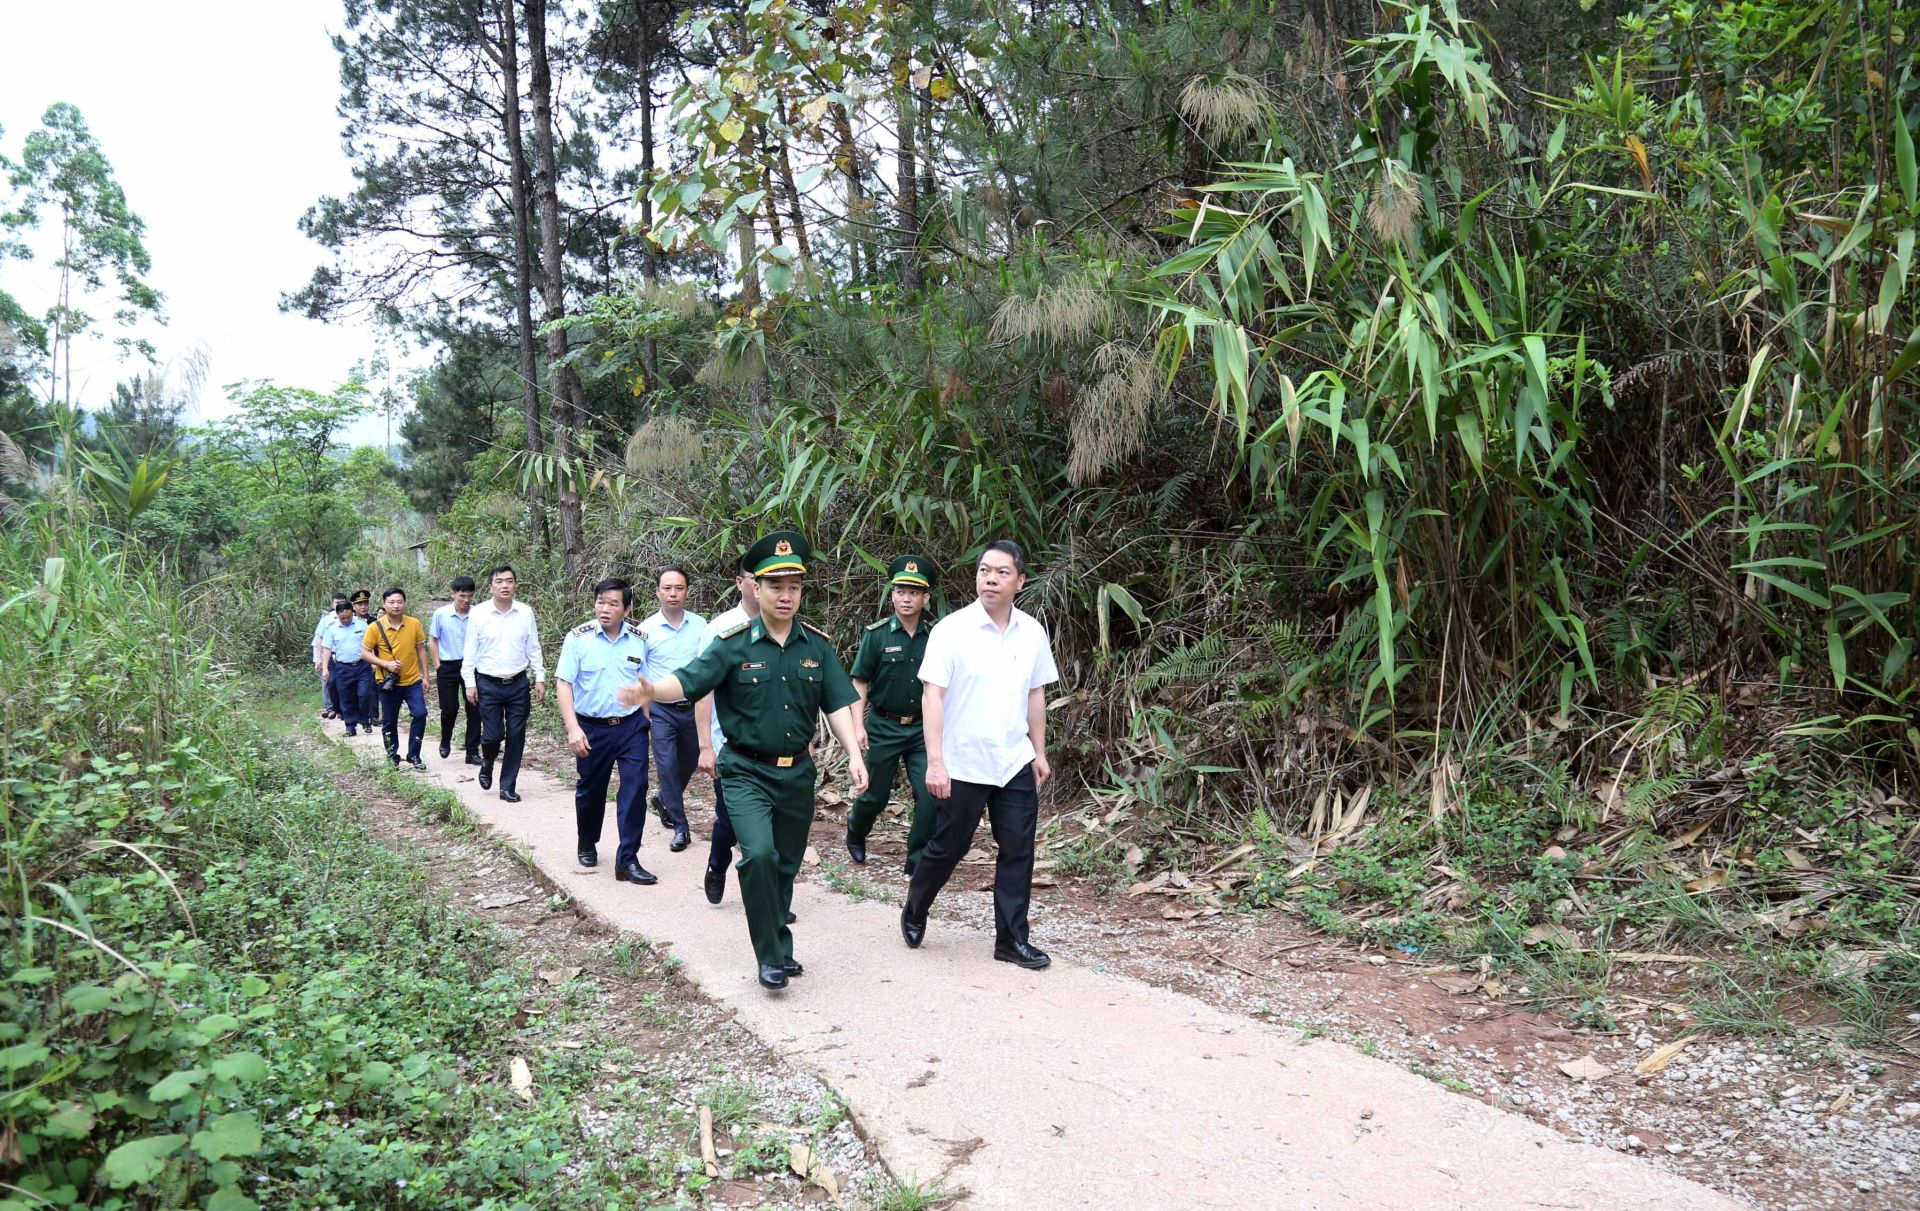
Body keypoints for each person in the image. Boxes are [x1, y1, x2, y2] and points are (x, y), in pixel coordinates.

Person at [620, 531, 868, 991]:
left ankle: (780, 944)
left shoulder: (815, 646)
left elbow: (837, 703)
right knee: (759, 855)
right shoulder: (732, 643)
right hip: (745, 771)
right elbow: (690, 681)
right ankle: (769, 957)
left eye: (794, 587)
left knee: (786, 862)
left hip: (798, 772)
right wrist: (652, 690)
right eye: (776, 586)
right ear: (757, 588)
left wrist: (854, 753)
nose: (785, 595)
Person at [900, 539, 1059, 971]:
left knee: (1018, 850)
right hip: (963, 763)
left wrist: (1039, 751)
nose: (990, 579)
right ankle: (916, 906)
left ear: (1020, 581)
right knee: (949, 847)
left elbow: (1036, 694)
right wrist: (936, 762)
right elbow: (932, 697)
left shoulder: (1032, 632)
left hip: (1013, 761)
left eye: (1002, 572)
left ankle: (1011, 940)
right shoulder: (951, 630)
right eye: (984, 570)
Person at [555, 578, 655, 884]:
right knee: (591, 790)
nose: (605, 609)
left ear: (627, 608)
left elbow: (644, 686)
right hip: (592, 728)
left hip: (631, 727)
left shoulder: (639, 640)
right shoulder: (578, 638)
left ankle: (627, 859)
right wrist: (573, 729)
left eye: (613, 604)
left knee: (636, 789)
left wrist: (647, 724)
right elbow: (564, 683)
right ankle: (587, 841)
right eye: (601, 602)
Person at [845, 555, 940, 874]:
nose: (906, 598)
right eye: (900, 591)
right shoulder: (877, 634)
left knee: (929, 795)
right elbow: (860, 681)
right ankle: (856, 828)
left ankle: (917, 859)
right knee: (875, 795)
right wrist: (858, 725)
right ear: (893, 595)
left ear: (925, 597)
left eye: (914, 592)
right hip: (883, 726)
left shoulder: (936, 637)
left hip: (922, 730)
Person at [693, 557, 755, 906]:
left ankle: (769, 897)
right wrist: (706, 746)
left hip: (777, 750)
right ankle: (717, 865)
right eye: (754, 578)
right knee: (730, 820)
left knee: (773, 829)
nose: (761, 587)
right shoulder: (721, 629)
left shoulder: (788, 628)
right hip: (729, 746)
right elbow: (703, 690)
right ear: (739, 583)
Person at [636, 565, 706, 853]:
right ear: (657, 592)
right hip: (661, 710)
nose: (673, 593)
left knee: (689, 761)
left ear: (687, 592)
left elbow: (707, 669)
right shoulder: (645, 630)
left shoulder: (701, 626)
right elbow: (639, 675)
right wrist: (645, 717)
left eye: (679, 588)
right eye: (667, 588)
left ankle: (664, 798)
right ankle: (681, 827)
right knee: (666, 766)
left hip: (693, 707)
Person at [463, 564, 545, 802]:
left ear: (515, 585)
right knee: (492, 736)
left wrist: (539, 677)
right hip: (488, 684)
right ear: (491, 586)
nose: (505, 586)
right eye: (499, 582)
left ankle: (507, 786)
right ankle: (487, 761)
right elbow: (470, 649)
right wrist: (469, 682)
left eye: (509, 581)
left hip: (518, 683)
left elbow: (533, 646)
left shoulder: (525, 612)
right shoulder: (479, 613)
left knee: (516, 734)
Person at [364, 587, 432, 771]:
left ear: (404, 603)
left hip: (412, 681)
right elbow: (364, 652)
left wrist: (425, 676)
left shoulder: (414, 623)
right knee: (389, 721)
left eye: (399, 602)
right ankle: (392, 757)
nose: (396, 606)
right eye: (392, 602)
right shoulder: (375, 627)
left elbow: (420, 650)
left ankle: (414, 755)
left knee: (420, 714)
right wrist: (385, 664)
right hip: (387, 683)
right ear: (384, 604)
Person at [429, 576, 480, 763]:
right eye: (462, 596)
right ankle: (445, 739)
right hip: (448, 666)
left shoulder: (478, 614)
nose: (466, 600)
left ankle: (472, 751)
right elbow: (433, 639)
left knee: (474, 708)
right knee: (449, 708)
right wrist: (437, 664)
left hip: (472, 665)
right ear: (453, 594)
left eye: (470, 596)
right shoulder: (441, 614)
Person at [317, 599, 372, 736]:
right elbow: (327, 649)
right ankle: (350, 726)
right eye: (343, 618)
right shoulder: (332, 628)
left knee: (364, 694)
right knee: (345, 697)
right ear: (337, 615)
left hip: (362, 666)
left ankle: (365, 720)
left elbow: (370, 645)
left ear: (353, 613)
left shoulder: (362, 625)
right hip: (342, 667)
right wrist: (325, 668)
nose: (346, 620)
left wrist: (374, 662)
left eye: (348, 617)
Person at [313, 591, 349, 719]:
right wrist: (317, 658)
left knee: (344, 682)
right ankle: (330, 708)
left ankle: (342, 709)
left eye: (342, 602)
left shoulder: (351, 617)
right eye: (337, 603)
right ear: (332, 604)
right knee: (329, 681)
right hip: (329, 655)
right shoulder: (326, 619)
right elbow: (318, 639)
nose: (339, 605)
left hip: (344, 655)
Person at [350, 589, 381, 727]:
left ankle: (373, 716)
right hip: (355, 660)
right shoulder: (350, 622)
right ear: (354, 606)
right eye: (359, 604)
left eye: (365, 604)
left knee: (372, 689)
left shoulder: (375, 622)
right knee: (355, 690)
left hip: (373, 660)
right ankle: (357, 715)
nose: (363, 607)